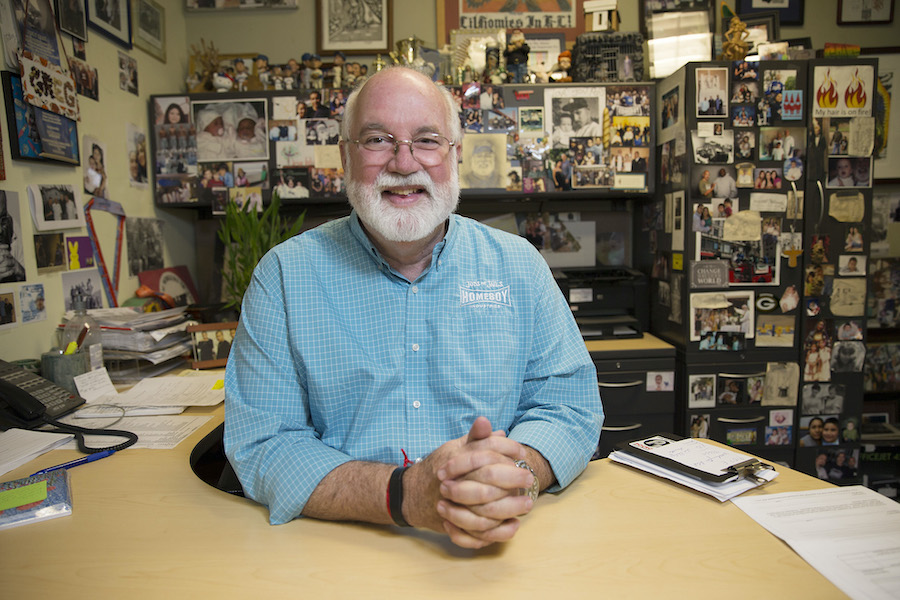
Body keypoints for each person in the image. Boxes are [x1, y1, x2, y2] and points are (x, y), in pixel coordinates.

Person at [224, 66, 603, 550]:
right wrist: (404, 495)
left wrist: (509, 475)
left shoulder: (519, 267)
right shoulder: (283, 277)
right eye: (378, 139)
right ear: (345, 155)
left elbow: (569, 408)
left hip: (504, 540)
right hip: (342, 546)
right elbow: (264, 443)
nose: (404, 164)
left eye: (427, 140)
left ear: (455, 155)